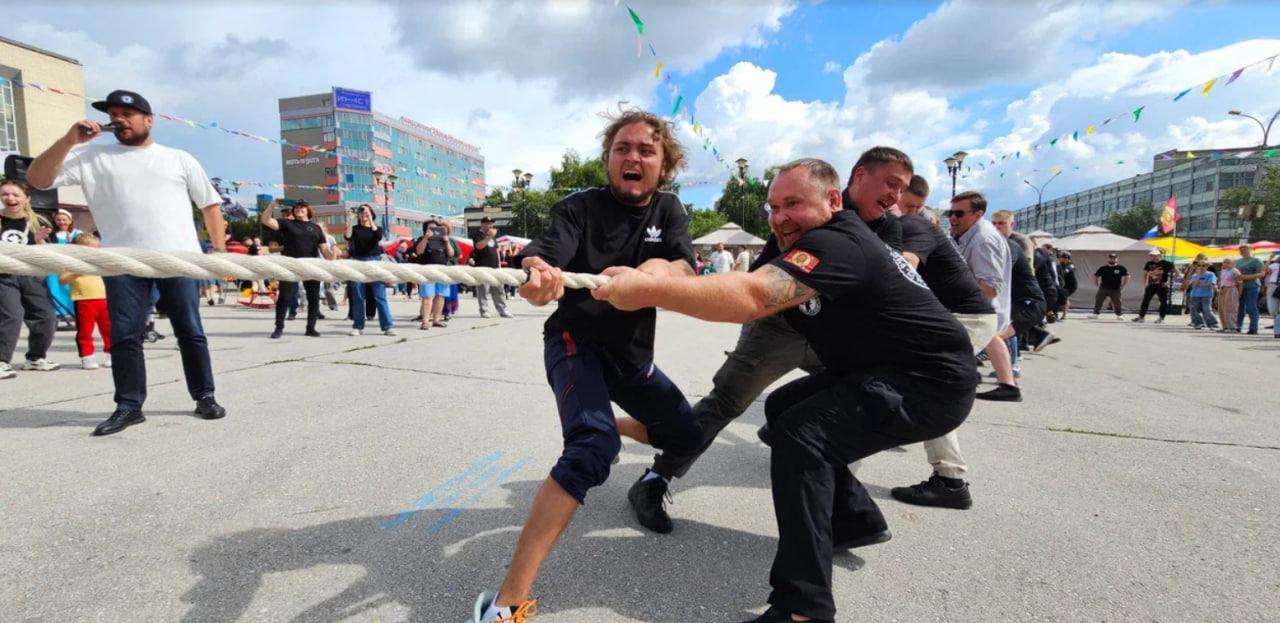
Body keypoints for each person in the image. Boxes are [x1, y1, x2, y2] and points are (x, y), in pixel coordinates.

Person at [592, 158, 977, 623]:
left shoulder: (837, 242)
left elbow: (753, 298)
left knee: (802, 434)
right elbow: (740, 283)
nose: (779, 217)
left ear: (832, 200)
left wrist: (649, 293)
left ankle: (803, 607)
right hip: (888, 369)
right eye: (773, 207)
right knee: (782, 407)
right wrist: (657, 275)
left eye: (793, 204)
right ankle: (853, 519)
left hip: (927, 382)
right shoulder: (800, 241)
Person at [467, 109, 702, 623]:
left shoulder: (669, 210)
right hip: (576, 344)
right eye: (622, 148)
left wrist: (653, 271)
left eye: (646, 150)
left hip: (633, 357)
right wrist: (537, 275)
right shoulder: (578, 207)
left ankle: (617, 436)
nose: (633, 157)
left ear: (664, 164)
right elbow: (543, 257)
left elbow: (684, 267)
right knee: (592, 449)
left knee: (688, 436)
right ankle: (505, 607)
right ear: (609, 158)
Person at [28, 89, 227, 436]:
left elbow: (210, 205)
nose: (119, 119)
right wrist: (68, 141)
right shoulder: (90, 156)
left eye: (127, 114)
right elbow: (37, 180)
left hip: (178, 258)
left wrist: (220, 253)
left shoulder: (178, 158)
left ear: (149, 120)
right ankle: (129, 406)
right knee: (124, 336)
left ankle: (204, 395)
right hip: (122, 262)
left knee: (190, 332)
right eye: (113, 115)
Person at [949, 191, 1020, 401]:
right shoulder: (974, 234)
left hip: (980, 310)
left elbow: (991, 287)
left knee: (953, 345)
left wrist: (954, 288)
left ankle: (961, 387)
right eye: (950, 213)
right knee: (992, 339)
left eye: (959, 214)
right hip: (983, 310)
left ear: (977, 214)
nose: (953, 218)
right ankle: (1008, 385)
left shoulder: (983, 240)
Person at [0, 178, 59, 379]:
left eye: (15, 194)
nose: (10, 198)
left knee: (46, 317)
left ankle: (35, 357)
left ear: (26, 198)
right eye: (5, 194)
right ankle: (1, 361)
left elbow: (53, 253)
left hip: (32, 276)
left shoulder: (39, 222)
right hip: (4, 276)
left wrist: (40, 241)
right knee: (12, 316)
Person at [260, 199, 333, 338]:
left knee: (314, 298)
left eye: (302, 207)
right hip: (290, 265)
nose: (299, 209)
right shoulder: (287, 223)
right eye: (296, 207)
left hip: (311, 265)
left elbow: (324, 250)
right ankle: (278, 328)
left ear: (308, 210)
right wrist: (272, 205)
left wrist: (333, 256)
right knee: (284, 297)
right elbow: (265, 220)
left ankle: (310, 328)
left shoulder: (316, 228)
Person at [58, 233, 112, 369]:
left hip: (104, 300)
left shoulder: (101, 262)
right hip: (83, 301)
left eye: (98, 248)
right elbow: (62, 280)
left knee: (108, 329)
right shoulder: (72, 263)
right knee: (85, 331)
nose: (97, 251)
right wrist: (78, 272)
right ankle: (87, 356)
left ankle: (111, 353)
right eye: (93, 249)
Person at [345, 203, 396, 336]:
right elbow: (347, 236)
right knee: (358, 296)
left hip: (374, 261)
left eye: (366, 212)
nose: (364, 214)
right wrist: (350, 219)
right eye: (361, 212)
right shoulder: (355, 228)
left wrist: (370, 219)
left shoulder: (376, 228)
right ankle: (358, 326)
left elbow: (378, 236)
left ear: (372, 214)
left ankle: (388, 326)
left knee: (379, 295)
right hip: (358, 261)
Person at [410, 219, 454, 330]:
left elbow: (451, 253)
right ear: (425, 230)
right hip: (427, 271)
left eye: (435, 228)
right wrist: (426, 238)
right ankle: (425, 321)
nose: (433, 230)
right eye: (430, 228)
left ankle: (436, 320)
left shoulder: (443, 239)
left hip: (442, 270)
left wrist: (447, 241)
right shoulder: (422, 239)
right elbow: (419, 251)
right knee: (427, 297)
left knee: (440, 296)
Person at [470, 216, 511, 319]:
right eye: (488, 223)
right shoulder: (477, 235)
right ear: (482, 224)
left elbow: (496, 251)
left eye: (491, 223)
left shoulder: (493, 236)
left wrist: (499, 265)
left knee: (499, 290)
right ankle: (484, 311)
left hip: (495, 268)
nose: (490, 225)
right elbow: (479, 246)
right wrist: (489, 237)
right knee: (483, 290)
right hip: (482, 267)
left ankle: (503, 310)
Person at [1133, 248, 1174, 323]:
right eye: (1151, 255)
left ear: (1159, 255)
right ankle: (1141, 317)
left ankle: (1161, 318)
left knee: (1163, 301)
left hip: (1162, 285)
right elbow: (1146, 273)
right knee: (1145, 300)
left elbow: (1174, 273)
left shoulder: (1166, 263)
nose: (1153, 257)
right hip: (1151, 285)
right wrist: (1146, 282)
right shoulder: (1149, 263)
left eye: (1154, 255)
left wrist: (1169, 282)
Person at [1233, 243, 1264, 334]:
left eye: (1245, 248)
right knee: (1239, 308)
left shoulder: (1256, 260)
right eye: (1240, 248)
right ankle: (1238, 327)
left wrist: (1245, 277)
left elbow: (1261, 274)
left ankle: (1253, 328)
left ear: (1251, 249)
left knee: (1251, 307)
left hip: (1252, 286)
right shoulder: (1237, 261)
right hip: (1239, 287)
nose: (1242, 249)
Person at [1089, 253, 1129, 319]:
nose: (1112, 259)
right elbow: (1095, 275)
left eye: (1114, 258)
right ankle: (1095, 314)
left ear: (1117, 259)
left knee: (1117, 302)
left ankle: (1119, 315)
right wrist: (1096, 284)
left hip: (1115, 289)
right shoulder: (1103, 268)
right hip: (1103, 288)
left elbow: (1127, 276)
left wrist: (1123, 284)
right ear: (1108, 259)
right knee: (1098, 301)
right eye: (1111, 258)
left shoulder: (1120, 268)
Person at [1185, 261, 1218, 329]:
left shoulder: (1211, 274)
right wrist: (1199, 276)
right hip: (1195, 295)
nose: (1201, 267)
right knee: (1194, 310)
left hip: (1206, 295)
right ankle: (1199, 323)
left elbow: (1210, 284)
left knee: (1207, 310)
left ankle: (1212, 323)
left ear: (1207, 267)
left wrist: (1200, 284)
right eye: (1199, 265)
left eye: (1203, 266)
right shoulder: (1195, 275)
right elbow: (1193, 286)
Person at [1216, 258, 1241, 332]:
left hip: (1231, 289)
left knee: (1230, 308)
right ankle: (1225, 326)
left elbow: (1240, 282)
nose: (1225, 264)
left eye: (1228, 262)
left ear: (1233, 264)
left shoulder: (1235, 271)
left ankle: (1232, 327)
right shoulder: (1223, 271)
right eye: (1224, 262)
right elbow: (1220, 281)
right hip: (1222, 289)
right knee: (1221, 309)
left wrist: (1239, 293)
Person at [1057, 251, 1077, 321]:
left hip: (1071, 285)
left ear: (1067, 258)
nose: (1060, 259)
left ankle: (1064, 315)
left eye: (1062, 257)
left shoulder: (1071, 266)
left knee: (1065, 298)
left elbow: (1064, 272)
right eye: (1060, 257)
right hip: (1063, 284)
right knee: (1062, 298)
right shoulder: (1060, 265)